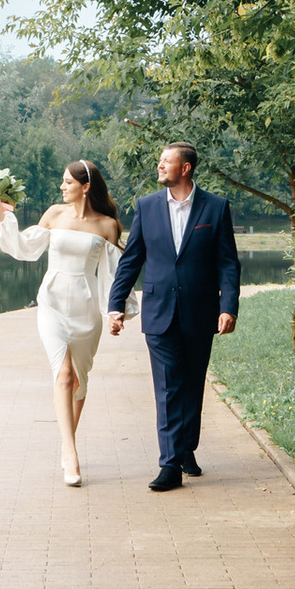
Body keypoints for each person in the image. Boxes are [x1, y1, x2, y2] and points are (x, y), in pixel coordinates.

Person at [107, 143, 240, 491]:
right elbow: (131, 260)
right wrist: (116, 304)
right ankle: (169, 464)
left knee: (192, 386)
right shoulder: (147, 207)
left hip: (201, 311)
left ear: (186, 168)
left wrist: (229, 307)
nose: (160, 166)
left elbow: (228, 262)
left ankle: (185, 448)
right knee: (167, 387)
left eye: (166, 161)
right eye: (160, 161)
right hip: (159, 312)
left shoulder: (216, 207)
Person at [0, 160, 123, 487]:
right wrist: (6, 217)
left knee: (79, 381)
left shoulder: (107, 225)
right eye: (62, 182)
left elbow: (115, 275)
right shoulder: (54, 214)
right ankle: (71, 453)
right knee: (63, 374)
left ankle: (66, 442)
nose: (62, 187)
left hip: (87, 308)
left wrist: (116, 311)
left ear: (85, 186)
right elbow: (24, 248)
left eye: (67, 183)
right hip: (53, 303)